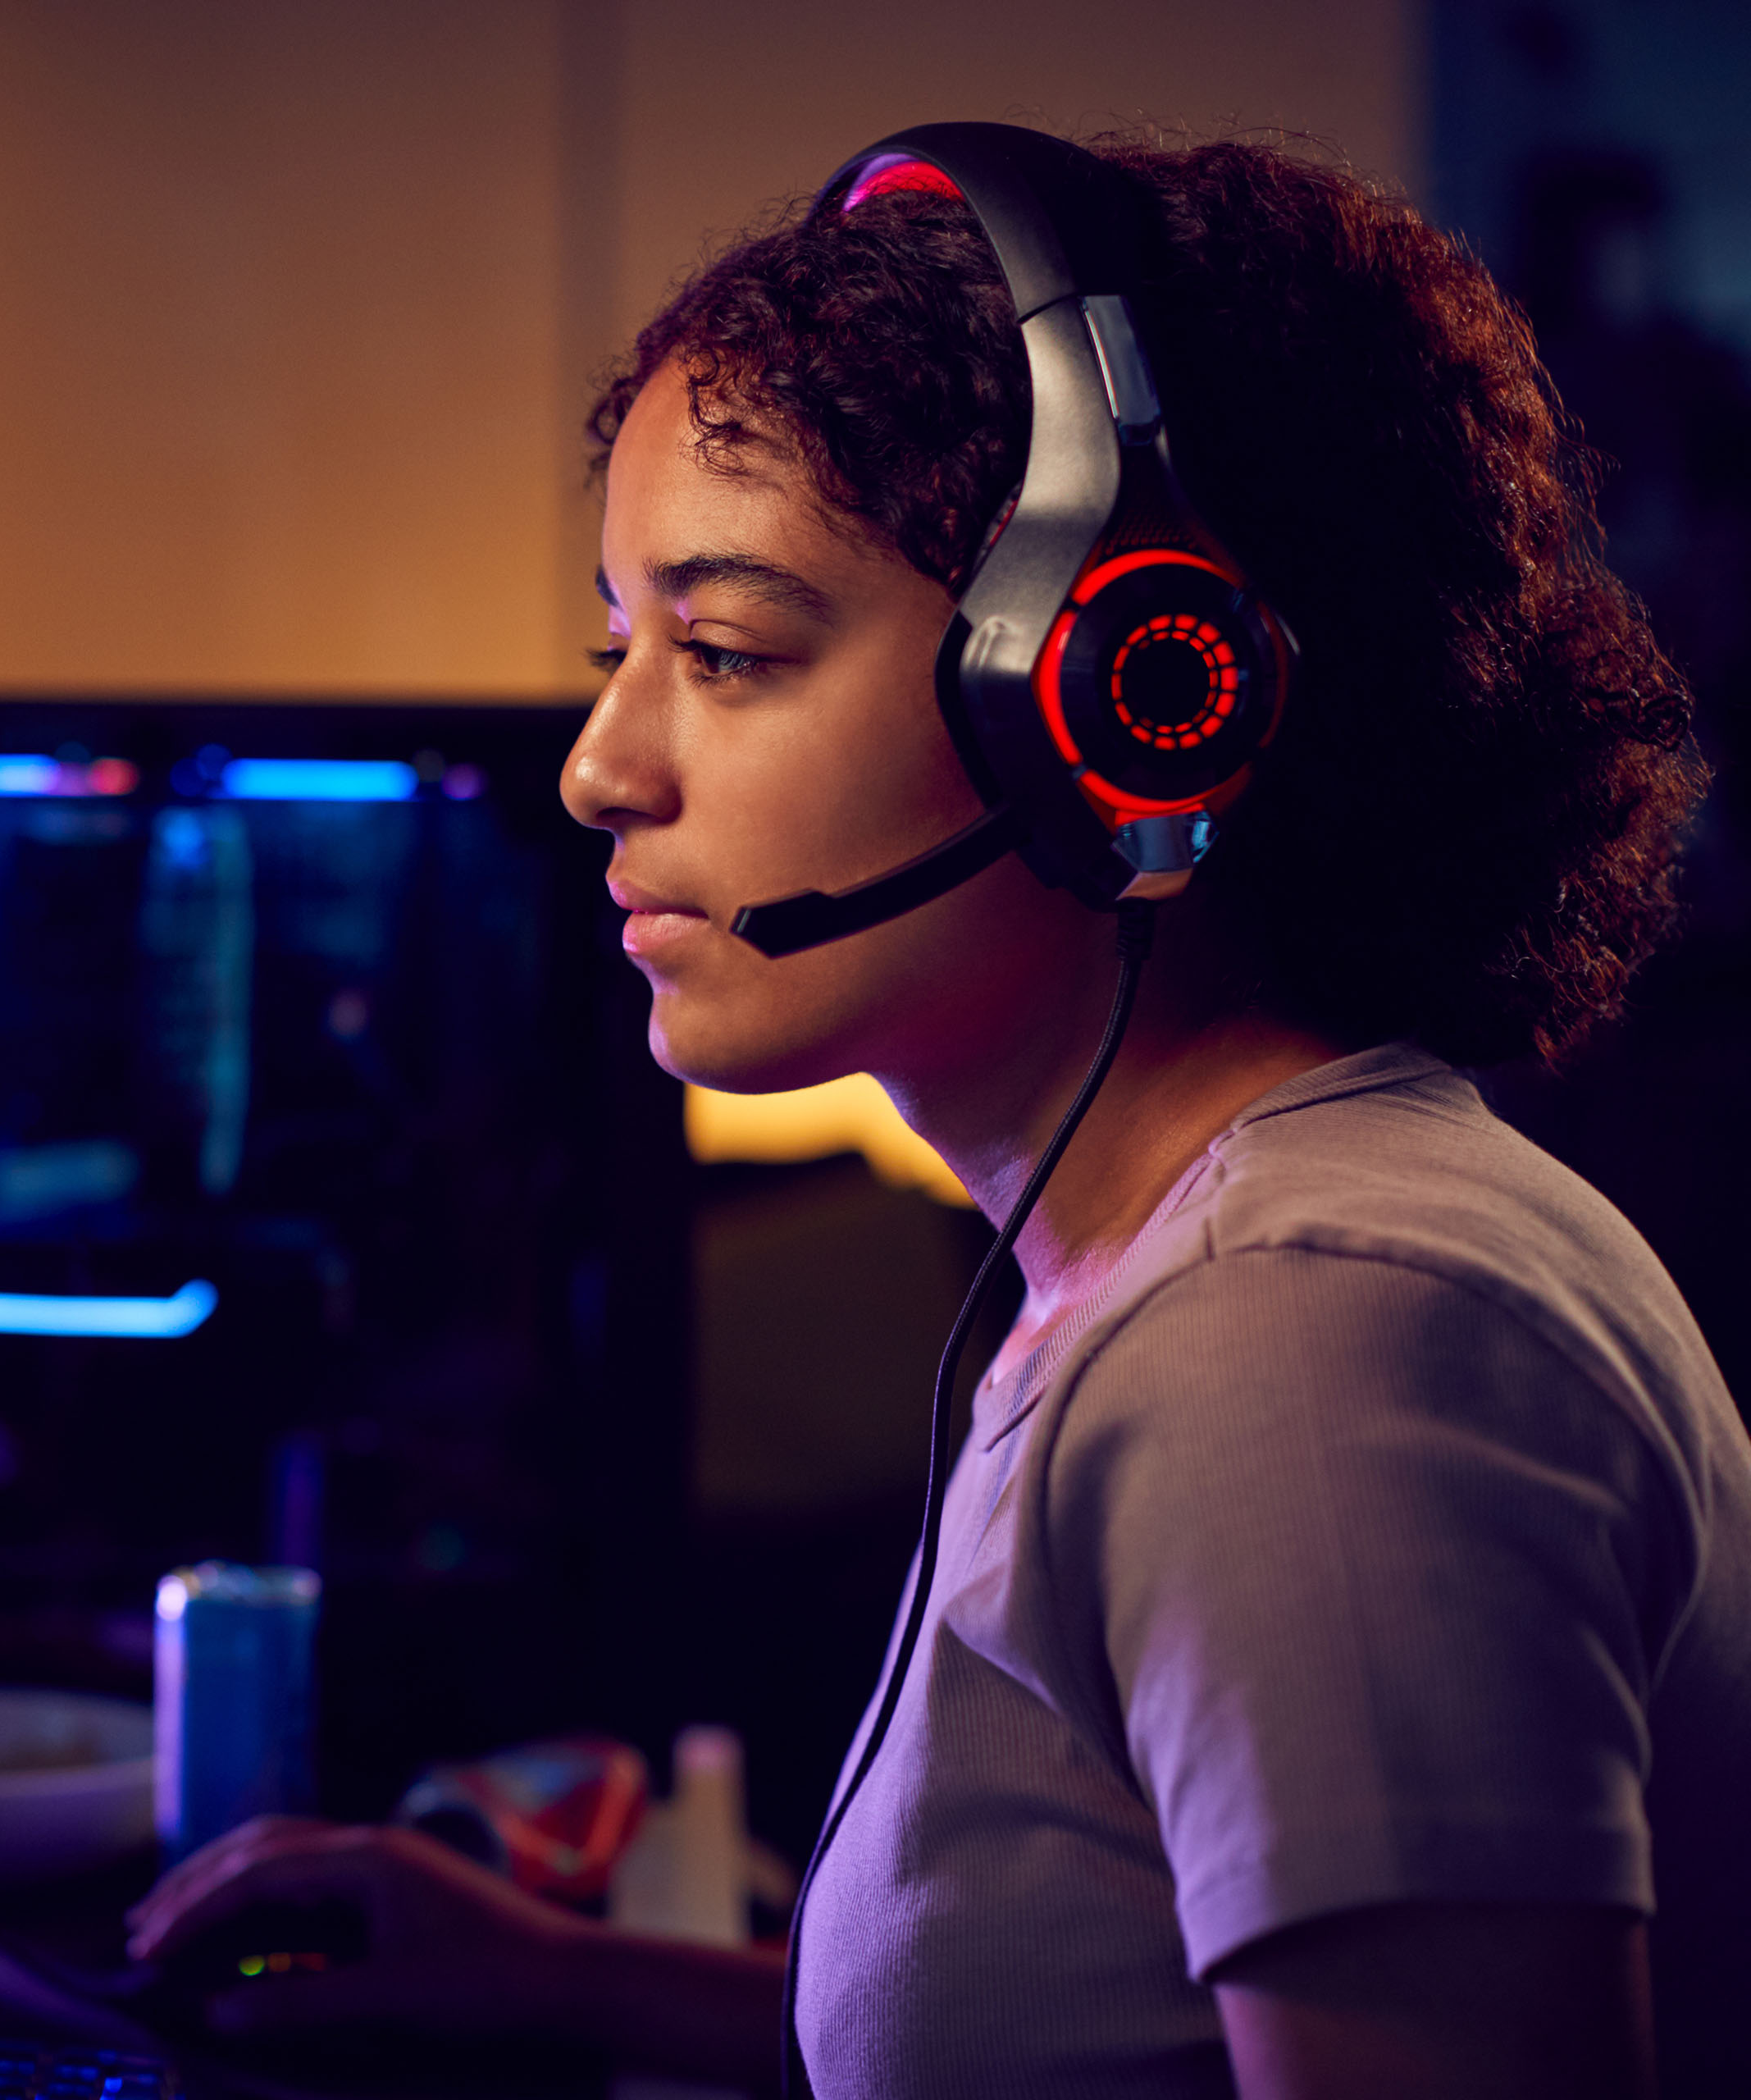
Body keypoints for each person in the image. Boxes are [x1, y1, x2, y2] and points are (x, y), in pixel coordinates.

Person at [126, 130, 1751, 2098]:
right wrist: (568, 1976)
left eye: (723, 652)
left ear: (1122, 697)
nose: (598, 766)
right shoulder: (1177, 1267)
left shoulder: (1313, 1339)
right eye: (615, 645)